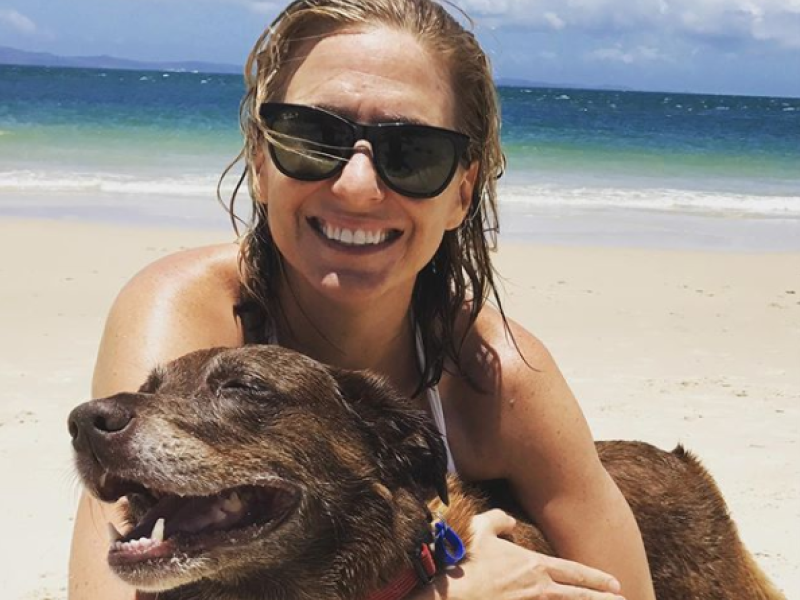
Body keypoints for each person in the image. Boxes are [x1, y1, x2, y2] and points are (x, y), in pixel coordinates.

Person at [68, 1, 657, 598]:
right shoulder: (187, 311)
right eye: (311, 136)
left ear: (462, 191)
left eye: (413, 153)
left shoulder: (499, 375)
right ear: (261, 159)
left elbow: (627, 589)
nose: (356, 186)